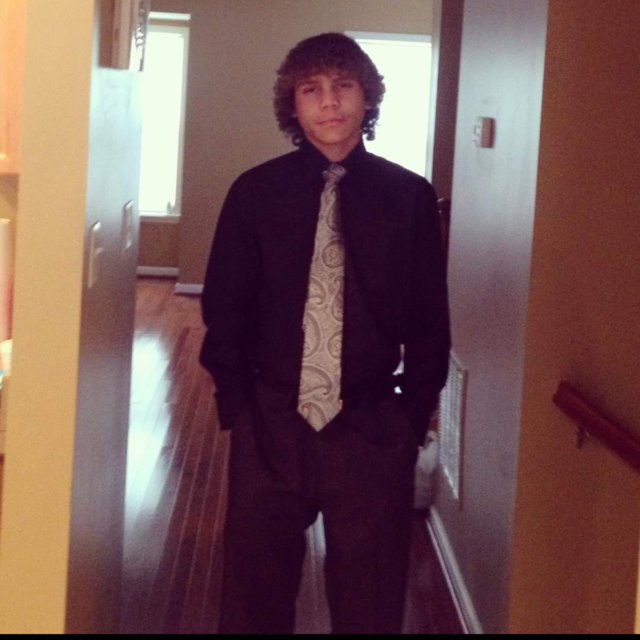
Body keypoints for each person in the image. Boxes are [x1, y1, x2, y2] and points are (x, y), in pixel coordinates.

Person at [200, 32, 451, 635]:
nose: (329, 101)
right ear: (293, 104)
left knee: (370, 602)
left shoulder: (409, 197)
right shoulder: (254, 193)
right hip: (271, 422)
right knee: (253, 598)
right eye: (311, 89)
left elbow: (428, 318)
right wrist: (238, 405)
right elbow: (225, 305)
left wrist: (411, 417)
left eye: (343, 85)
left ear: (368, 97)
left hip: (371, 427)